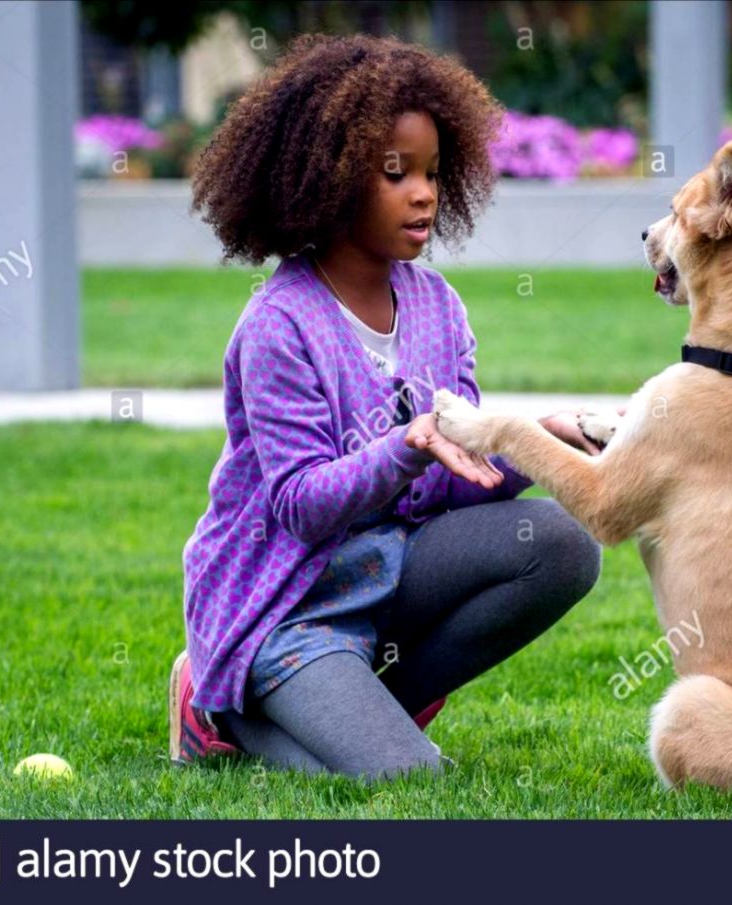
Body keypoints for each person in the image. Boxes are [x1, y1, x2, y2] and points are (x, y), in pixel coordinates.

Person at [169, 33, 603, 779]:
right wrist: (405, 443)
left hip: (389, 573)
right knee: (410, 778)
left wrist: (538, 440)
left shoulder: (438, 306)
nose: (425, 192)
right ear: (328, 179)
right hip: (286, 606)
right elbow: (303, 507)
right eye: (394, 172)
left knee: (562, 542)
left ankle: (373, 709)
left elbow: (451, 481)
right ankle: (215, 707)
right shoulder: (278, 326)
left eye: (433, 171)